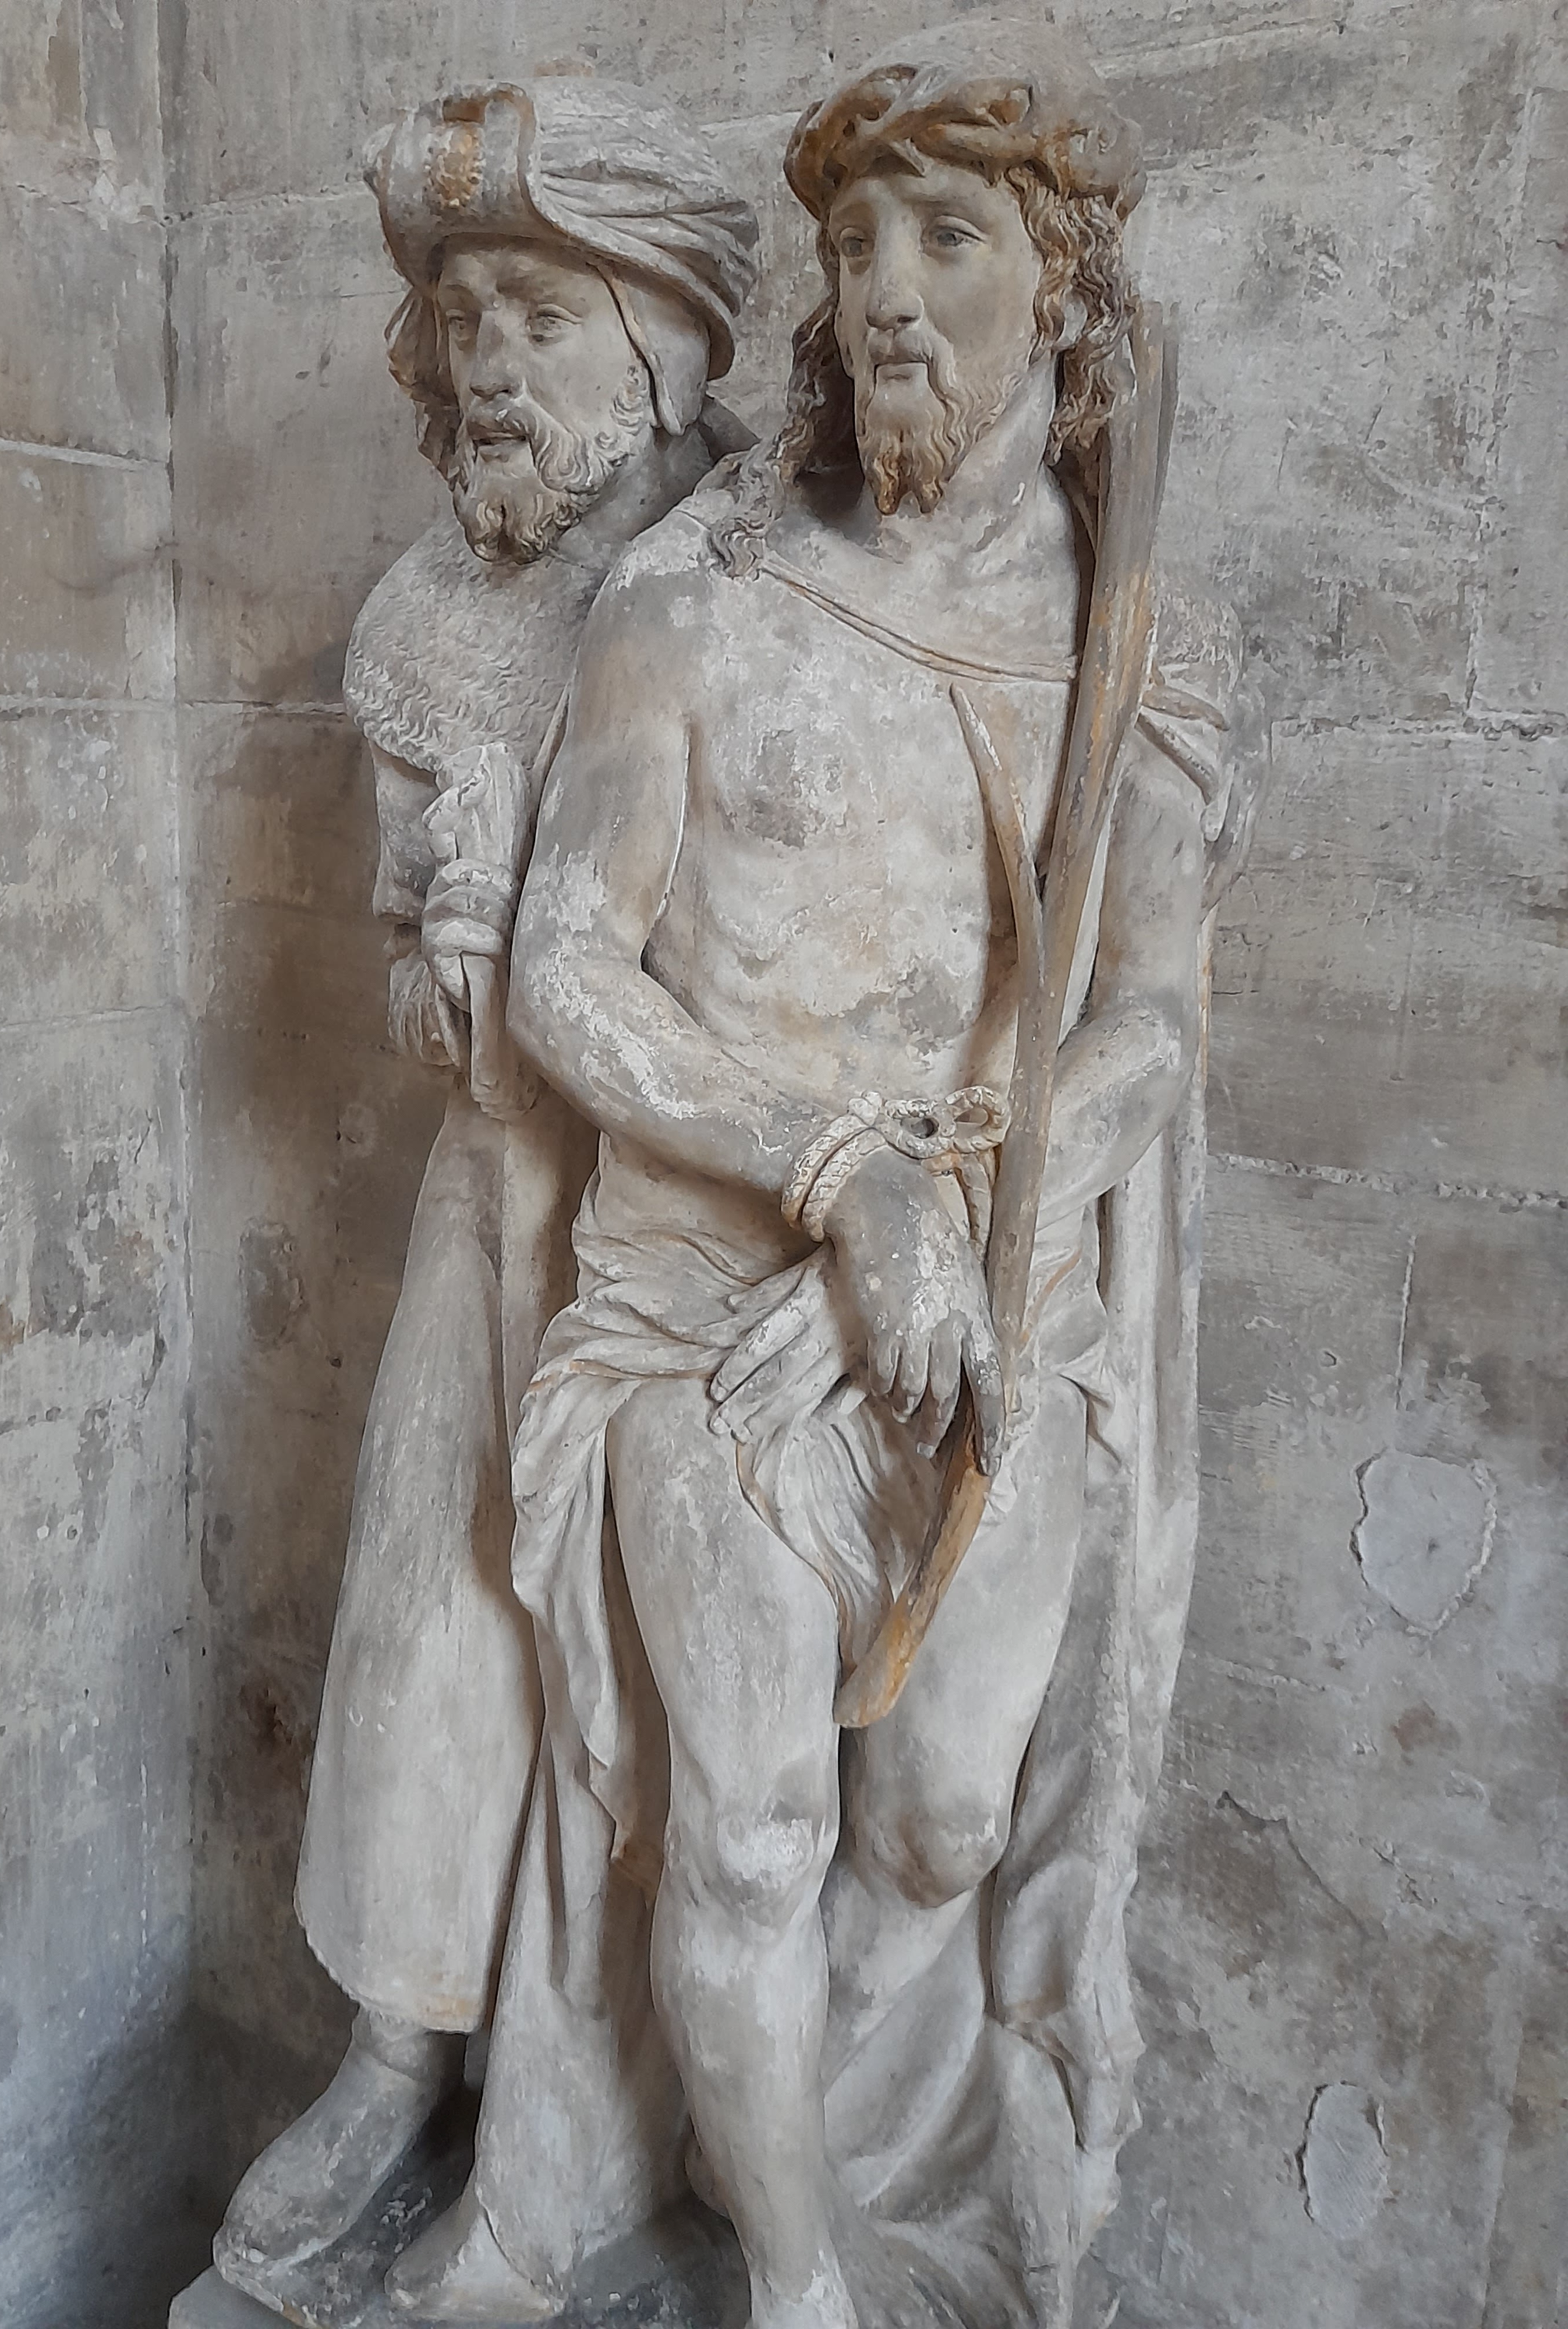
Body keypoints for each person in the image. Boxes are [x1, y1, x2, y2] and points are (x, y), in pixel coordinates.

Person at [388, 23, 1259, 2329]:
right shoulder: (699, 603)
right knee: (754, 1826)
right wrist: (834, 1179)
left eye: (946, 240)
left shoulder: (1138, 648)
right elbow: (567, 975)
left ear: (1060, 297)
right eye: (854, 241)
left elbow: (1150, 1025)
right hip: (706, 1311)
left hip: (998, 1304)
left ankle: (836, 2153)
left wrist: (950, 1218)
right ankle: (795, 2283)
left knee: (943, 1819)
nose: (883, 288)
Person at [213, 75, 757, 2291]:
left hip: (708, 1232)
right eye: (463, 322)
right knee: (435, 1619)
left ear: (664, 339)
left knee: (677, 1693)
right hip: (494, 1184)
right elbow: (399, 919)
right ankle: (398, 2046)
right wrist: (436, 957)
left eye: (542, 311)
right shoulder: (428, 617)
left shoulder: (759, 584)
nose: (492, 363)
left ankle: (645, 2123)